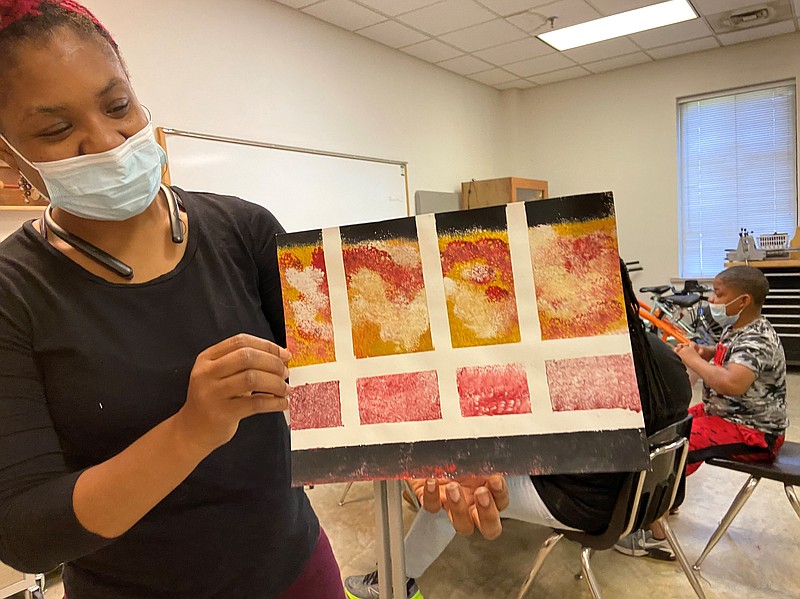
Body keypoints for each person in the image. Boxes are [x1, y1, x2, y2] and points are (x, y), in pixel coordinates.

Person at [344, 261, 693, 598]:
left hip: (589, 505)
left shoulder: (580, 375)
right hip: (641, 497)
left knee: (457, 488)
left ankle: (392, 582)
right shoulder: (663, 355)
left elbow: (510, 445)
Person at [674, 265, 788, 476]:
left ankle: (660, 503)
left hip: (755, 432)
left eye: (718, 294)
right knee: (670, 426)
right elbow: (732, 356)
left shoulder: (758, 339)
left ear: (743, 301)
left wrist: (694, 361)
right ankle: (669, 499)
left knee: (677, 446)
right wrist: (707, 352)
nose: (711, 299)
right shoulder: (736, 328)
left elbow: (731, 383)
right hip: (725, 414)